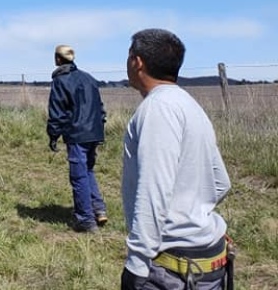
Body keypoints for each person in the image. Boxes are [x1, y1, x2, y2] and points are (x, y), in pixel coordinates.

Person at [121, 28, 234, 290]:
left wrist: (137, 264)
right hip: (209, 263)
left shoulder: (157, 109)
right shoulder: (189, 104)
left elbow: (153, 189)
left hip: (172, 272)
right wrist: (194, 214)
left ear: (137, 62)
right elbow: (221, 182)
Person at [46, 44, 108, 233]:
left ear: (58, 59)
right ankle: (99, 209)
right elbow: (100, 107)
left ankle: (86, 220)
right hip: (94, 132)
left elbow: (57, 111)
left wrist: (53, 134)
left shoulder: (60, 81)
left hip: (77, 133)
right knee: (87, 171)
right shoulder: (89, 78)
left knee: (78, 176)